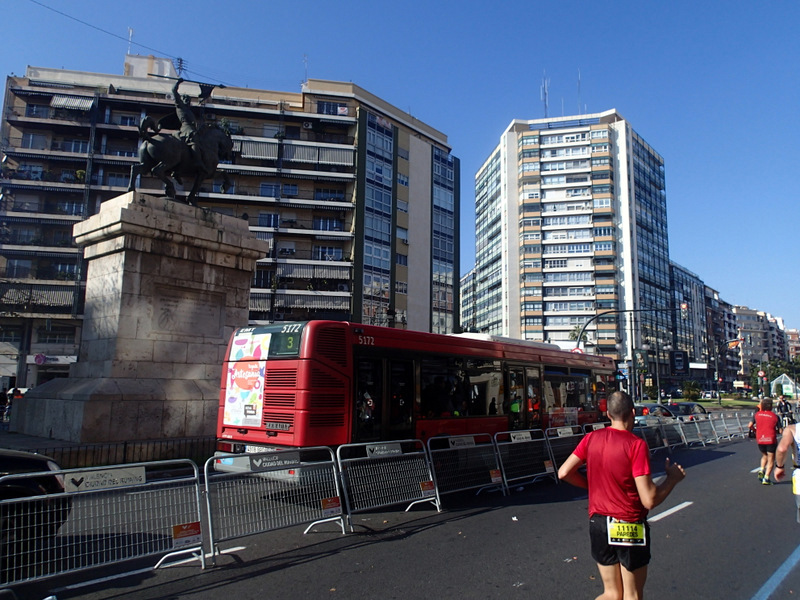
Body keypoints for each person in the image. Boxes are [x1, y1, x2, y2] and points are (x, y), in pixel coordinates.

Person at [558, 390, 685, 600]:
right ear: (633, 413)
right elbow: (649, 499)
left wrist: (591, 486)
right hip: (629, 523)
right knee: (632, 595)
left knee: (611, 593)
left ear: (608, 414)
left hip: (598, 522)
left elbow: (564, 472)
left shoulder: (591, 438)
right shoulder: (635, 445)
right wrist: (671, 480)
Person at [748, 397, 781, 484]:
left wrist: (755, 430)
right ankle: (766, 478)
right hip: (771, 439)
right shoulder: (775, 416)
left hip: (760, 439)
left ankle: (762, 469)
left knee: (764, 455)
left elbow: (750, 425)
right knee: (771, 459)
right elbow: (780, 430)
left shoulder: (757, 415)